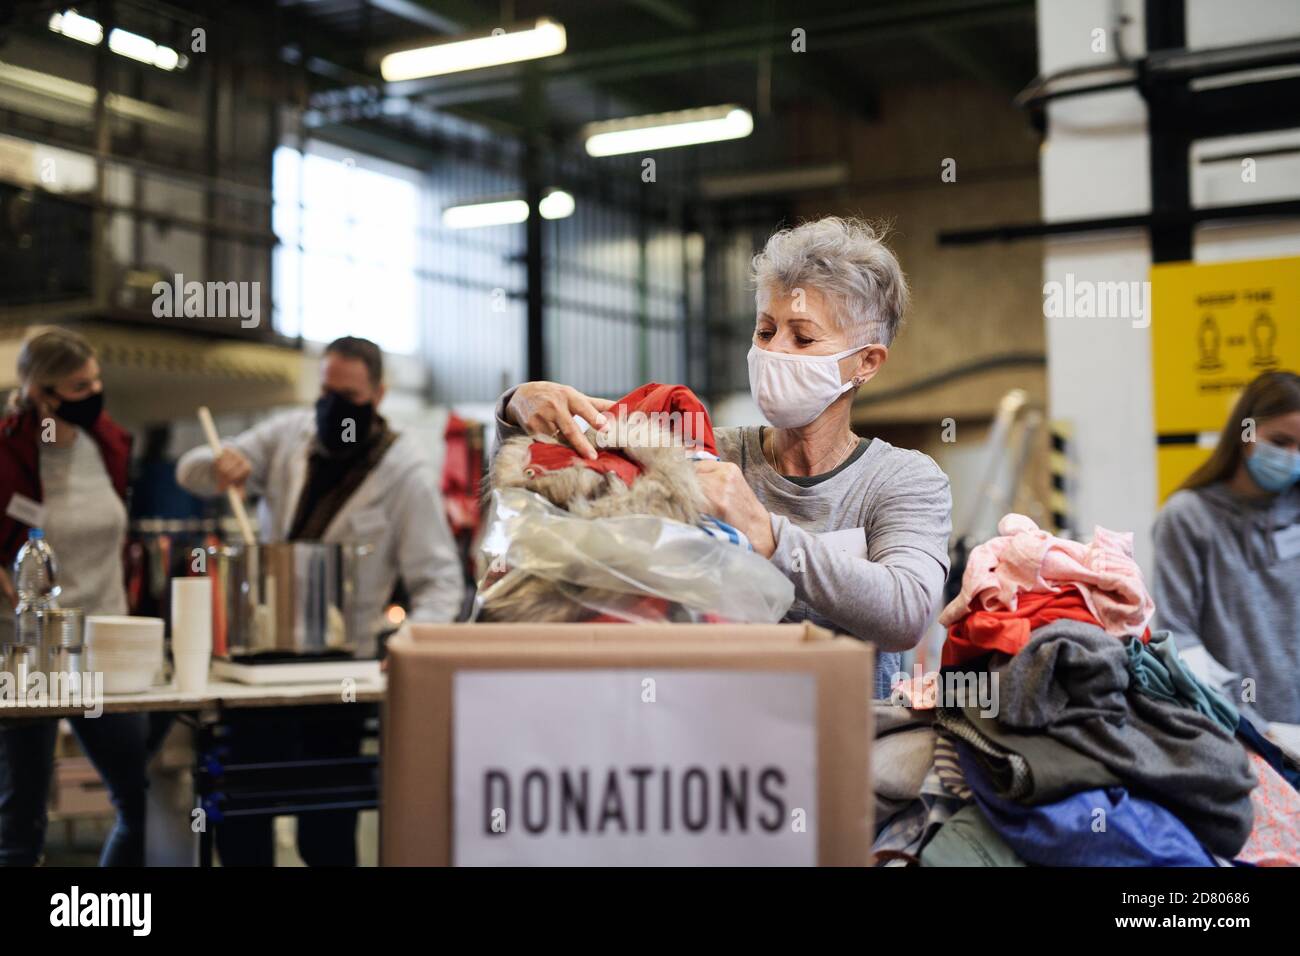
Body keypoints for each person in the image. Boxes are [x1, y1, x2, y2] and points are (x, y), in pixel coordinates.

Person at [495, 217, 952, 696]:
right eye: (765, 330)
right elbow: (539, 520)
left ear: (866, 362)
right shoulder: (704, 451)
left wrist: (764, 533)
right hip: (714, 741)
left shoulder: (903, 479)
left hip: (848, 741)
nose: (775, 351)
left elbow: (906, 613)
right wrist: (516, 411)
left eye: (803, 337)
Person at [176, 335, 463, 865]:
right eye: (326, 391)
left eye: (348, 396)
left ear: (378, 394)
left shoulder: (405, 473)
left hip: (342, 674)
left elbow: (440, 581)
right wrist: (222, 462)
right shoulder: (290, 434)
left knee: (328, 833)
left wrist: (406, 650)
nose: (334, 407)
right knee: (243, 820)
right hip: (260, 661)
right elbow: (191, 471)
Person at [0, 327, 150, 866]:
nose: (93, 392)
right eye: (78, 385)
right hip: (26, 653)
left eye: (95, 380)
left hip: (103, 642)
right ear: (42, 393)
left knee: (138, 802)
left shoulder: (106, 441)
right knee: (21, 820)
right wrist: (18, 588)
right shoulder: (8, 450)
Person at [1152, 369, 1300, 725]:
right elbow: (1179, 638)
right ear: (1244, 434)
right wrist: (1251, 726)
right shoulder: (1189, 518)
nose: (1293, 457)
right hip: (1238, 732)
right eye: (1279, 442)